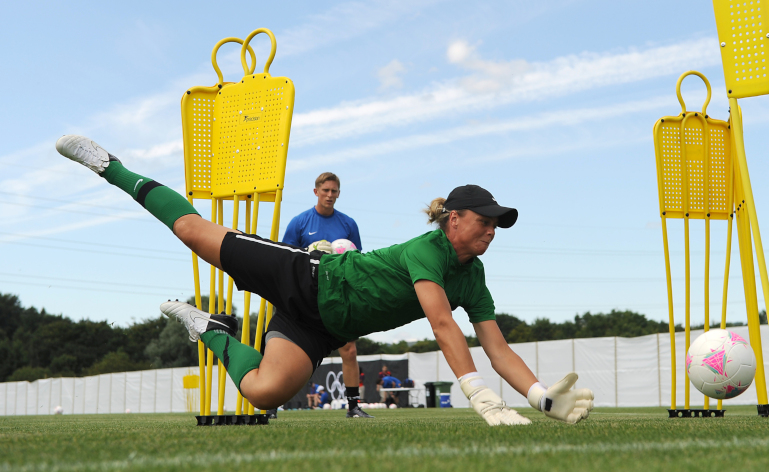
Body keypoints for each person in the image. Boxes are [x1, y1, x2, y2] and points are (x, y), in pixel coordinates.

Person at [56, 135, 594, 426]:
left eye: (496, 225)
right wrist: (480, 397)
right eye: (485, 222)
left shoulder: (473, 277)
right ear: (453, 219)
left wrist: (540, 397)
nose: (491, 232)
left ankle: (212, 331)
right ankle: (110, 166)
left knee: (264, 393)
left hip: (318, 325)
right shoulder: (428, 249)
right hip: (307, 276)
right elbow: (440, 323)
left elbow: (497, 347)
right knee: (196, 233)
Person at [282, 172, 370, 418]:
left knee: (349, 349)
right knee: (290, 350)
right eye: (326, 191)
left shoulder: (348, 224)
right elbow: (286, 258)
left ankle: (353, 407)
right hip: (307, 294)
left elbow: (357, 260)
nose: (330, 195)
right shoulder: (299, 223)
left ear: (339, 194)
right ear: (316, 192)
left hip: (339, 293)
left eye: (334, 191)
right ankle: (272, 406)